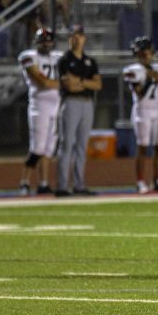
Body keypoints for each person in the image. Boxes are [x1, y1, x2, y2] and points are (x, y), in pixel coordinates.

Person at [56, 25, 102, 196]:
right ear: (70, 38)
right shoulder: (64, 60)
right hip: (71, 102)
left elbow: (98, 85)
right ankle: (62, 185)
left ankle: (79, 184)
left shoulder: (90, 61)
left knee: (82, 145)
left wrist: (80, 81)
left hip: (87, 103)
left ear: (84, 38)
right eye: (74, 36)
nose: (77, 39)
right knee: (67, 143)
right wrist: (86, 83)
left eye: (80, 36)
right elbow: (69, 85)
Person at [17, 27, 61, 196]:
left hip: (56, 104)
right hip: (39, 105)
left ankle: (44, 183)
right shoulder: (29, 57)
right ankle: (25, 181)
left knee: (49, 148)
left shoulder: (58, 57)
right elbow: (43, 82)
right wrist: (65, 84)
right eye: (43, 41)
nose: (46, 44)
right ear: (36, 42)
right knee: (38, 147)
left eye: (48, 41)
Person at [123, 37, 158, 194]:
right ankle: (140, 181)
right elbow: (139, 94)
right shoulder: (133, 70)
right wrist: (150, 79)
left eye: (148, 52)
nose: (146, 56)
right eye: (142, 53)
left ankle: (157, 180)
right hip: (142, 111)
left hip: (157, 110)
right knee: (142, 146)